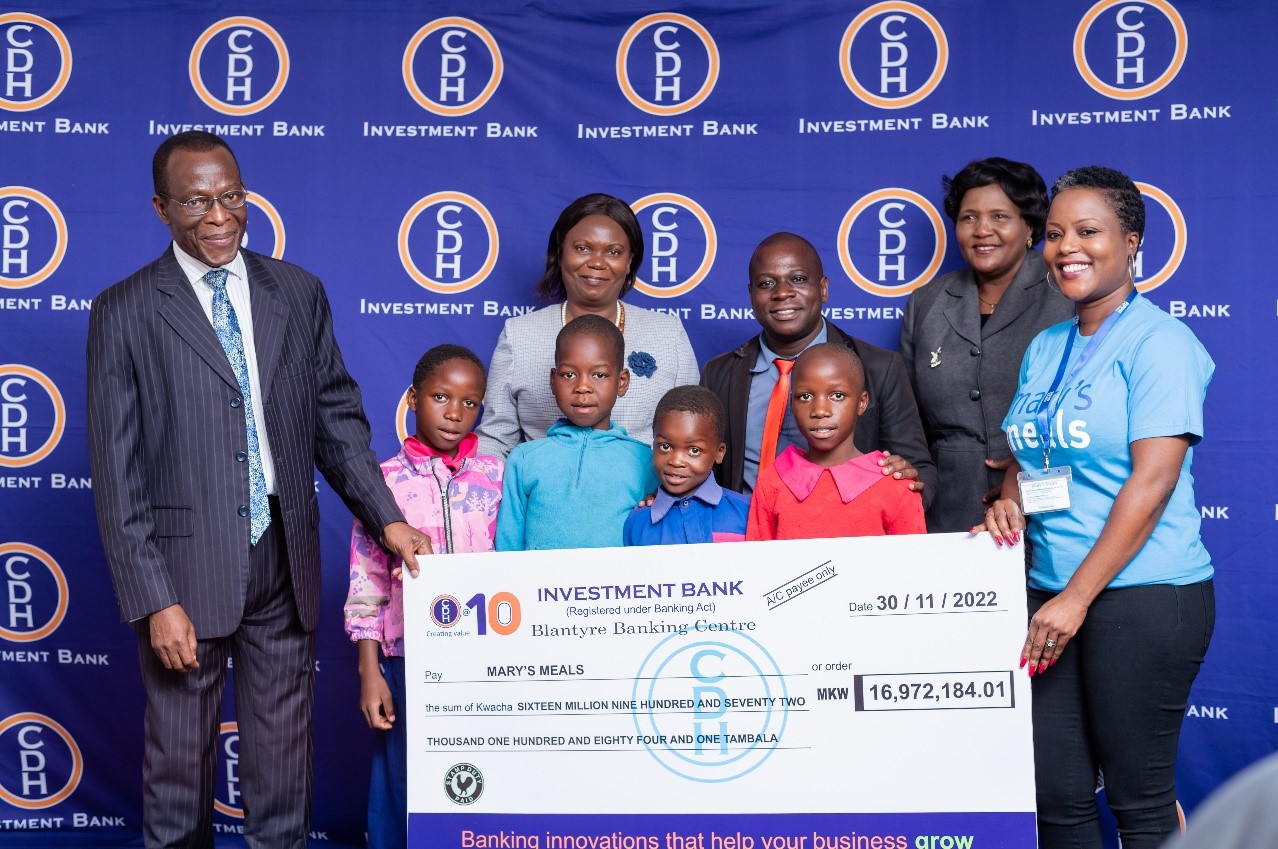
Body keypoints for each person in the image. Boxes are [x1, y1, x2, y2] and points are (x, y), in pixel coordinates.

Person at [86, 130, 431, 849]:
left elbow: (335, 419)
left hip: (283, 557)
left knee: (283, 776)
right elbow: (118, 478)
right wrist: (155, 599)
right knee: (179, 777)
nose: (220, 216)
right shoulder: (123, 311)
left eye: (232, 197)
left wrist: (388, 519)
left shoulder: (297, 292)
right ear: (160, 207)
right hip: (183, 575)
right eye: (197, 201)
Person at [978, 166, 1215, 849]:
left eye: (1088, 232)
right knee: (1055, 793)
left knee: (1140, 803)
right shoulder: (1047, 346)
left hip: (1142, 595)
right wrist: (1009, 500)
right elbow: (1036, 458)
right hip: (1051, 592)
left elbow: (1153, 482)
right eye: (1054, 234)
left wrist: (1076, 598)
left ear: (1131, 242)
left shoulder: (1161, 343)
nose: (1066, 248)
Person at [344, 344, 502, 849]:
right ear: (413, 398)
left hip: (484, 659)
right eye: (440, 397)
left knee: (480, 777)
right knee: (402, 777)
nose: (454, 413)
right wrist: (371, 672)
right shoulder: (382, 484)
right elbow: (367, 581)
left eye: (469, 402)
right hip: (406, 657)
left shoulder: (499, 477)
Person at [899, 157, 1074, 532]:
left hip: (1047, 513)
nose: (982, 230)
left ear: (1030, 226)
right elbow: (907, 423)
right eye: (969, 217)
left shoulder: (1067, 296)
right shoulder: (926, 303)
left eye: (999, 216)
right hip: (947, 515)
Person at [701, 232, 935, 507]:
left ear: (823, 288)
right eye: (766, 283)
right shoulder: (719, 374)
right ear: (751, 294)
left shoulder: (879, 368)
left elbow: (921, 475)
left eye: (798, 279)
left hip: (844, 538)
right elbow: (701, 468)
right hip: (745, 535)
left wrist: (905, 480)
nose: (782, 293)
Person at [478, 193, 699, 456]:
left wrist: (663, 495)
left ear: (629, 261)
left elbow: (693, 435)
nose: (596, 262)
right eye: (582, 248)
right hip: (544, 491)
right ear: (560, 253)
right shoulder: (519, 335)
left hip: (643, 493)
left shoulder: (667, 334)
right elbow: (495, 441)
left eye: (613, 252)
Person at [496, 315, 658, 550]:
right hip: (540, 587)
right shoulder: (524, 459)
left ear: (622, 382)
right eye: (569, 374)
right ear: (553, 380)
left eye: (599, 375)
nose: (583, 386)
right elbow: (507, 546)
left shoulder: (645, 460)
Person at [746, 344, 925, 540]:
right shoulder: (773, 482)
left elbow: (913, 566)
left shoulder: (894, 484)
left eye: (837, 396)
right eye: (805, 397)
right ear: (792, 405)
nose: (820, 410)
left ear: (862, 402)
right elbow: (758, 565)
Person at [624, 385, 750, 545]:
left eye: (694, 450)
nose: (676, 461)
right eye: (665, 446)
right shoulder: (637, 522)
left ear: (719, 452)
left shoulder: (747, 512)